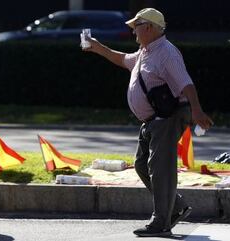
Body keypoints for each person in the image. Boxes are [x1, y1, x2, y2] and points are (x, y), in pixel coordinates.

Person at [83, 8, 213, 237]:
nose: (133, 31)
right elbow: (122, 59)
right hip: (153, 120)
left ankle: (160, 222)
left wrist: (197, 111)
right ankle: (177, 206)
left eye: (137, 25)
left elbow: (186, 84)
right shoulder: (146, 51)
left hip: (167, 118)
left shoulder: (166, 53)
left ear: (150, 27)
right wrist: (97, 48)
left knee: (160, 170)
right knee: (143, 165)